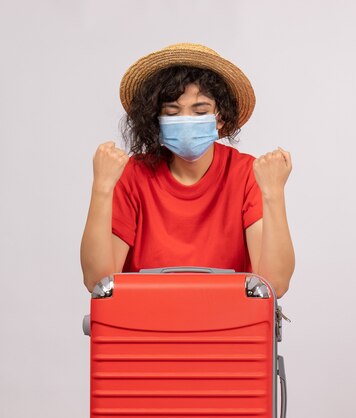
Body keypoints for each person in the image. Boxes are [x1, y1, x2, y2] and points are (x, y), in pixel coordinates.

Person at [80, 43, 295, 298]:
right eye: (172, 112)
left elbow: (275, 284)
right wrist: (102, 187)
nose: (186, 121)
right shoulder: (133, 175)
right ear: (155, 121)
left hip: (229, 328)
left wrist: (273, 192)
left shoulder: (247, 174)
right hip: (144, 327)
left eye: (200, 111)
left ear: (220, 117)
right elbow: (98, 281)